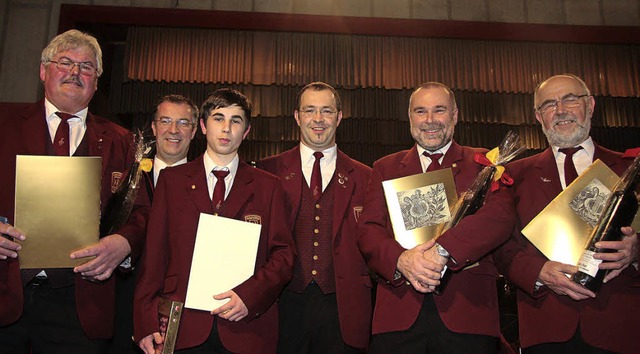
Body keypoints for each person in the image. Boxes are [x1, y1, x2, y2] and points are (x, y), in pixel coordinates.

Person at [428, 74, 638, 353]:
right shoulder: (513, 175)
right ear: (538, 117)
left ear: (591, 105)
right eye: (549, 104)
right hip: (546, 324)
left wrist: (636, 251)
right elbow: (502, 248)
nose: (561, 110)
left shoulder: (630, 168)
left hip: (618, 324)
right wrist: (539, 272)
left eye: (570, 99)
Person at [0, 29, 148, 354]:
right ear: (43, 71)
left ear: (97, 82)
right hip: (5, 292)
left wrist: (122, 244)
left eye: (86, 67)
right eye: (65, 62)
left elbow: (140, 213)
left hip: (81, 306)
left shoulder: (123, 141)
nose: (74, 73)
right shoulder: (4, 122)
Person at [133, 88, 296, 354]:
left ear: (246, 131)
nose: (226, 128)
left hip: (246, 327)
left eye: (236, 120)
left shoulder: (269, 187)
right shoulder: (172, 183)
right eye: (218, 118)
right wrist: (144, 322)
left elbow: (284, 255)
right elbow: (154, 257)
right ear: (203, 126)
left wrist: (250, 296)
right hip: (183, 327)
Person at [356, 82, 515, 353]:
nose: (429, 120)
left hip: (468, 315)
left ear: (455, 115)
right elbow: (368, 230)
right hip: (398, 315)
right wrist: (401, 260)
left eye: (439, 110)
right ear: (410, 118)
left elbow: (500, 217)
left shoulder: (484, 163)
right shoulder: (385, 168)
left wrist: (443, 251)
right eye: (421, 111)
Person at [257, 82, 372, 353]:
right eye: (310, 110)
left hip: (343, 310)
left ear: (339, 117)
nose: (318, 119)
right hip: (282, 305)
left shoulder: (366, 177)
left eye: (326, 111)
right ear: (297, 116)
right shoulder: (268, 170)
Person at [109, 94, 199, 354]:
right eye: (166, 121)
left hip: (182, 306)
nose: (174, 130)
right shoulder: (128, 176)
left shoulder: (207, 183)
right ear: (153, 127)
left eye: (183, 123)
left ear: (194, 131)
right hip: (124, 301)